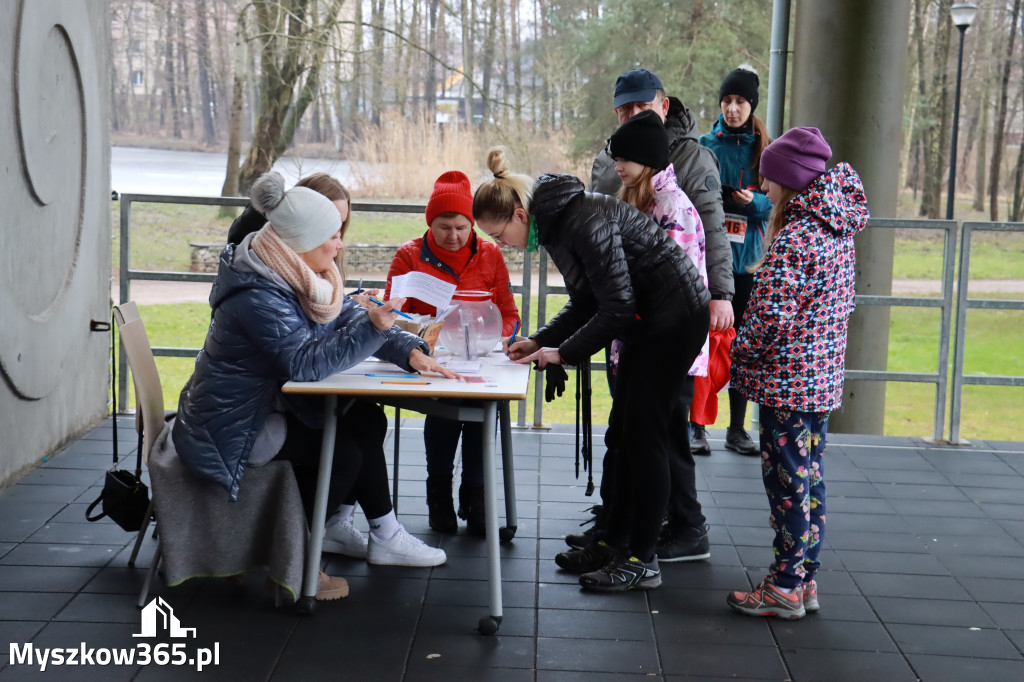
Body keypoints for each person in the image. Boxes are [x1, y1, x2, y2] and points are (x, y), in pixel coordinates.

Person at [173, 172, 457, 601]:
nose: (340, 243)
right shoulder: (260, 293)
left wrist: (409, 350)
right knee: (342, 455)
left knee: (363, 419)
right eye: (332, 234)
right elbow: (304, 364)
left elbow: (345, 315)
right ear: (302, 241)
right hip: (230, 430)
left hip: (259, 411)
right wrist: (374, 328)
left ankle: (363, 533)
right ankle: (294, 563)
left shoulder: (288, 272)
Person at [474, 147, 710, 592]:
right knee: (621, 437)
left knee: (645, 441)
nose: (500, 246)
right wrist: (542, 340)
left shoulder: (580, 221)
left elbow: (616, 307)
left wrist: (562, 354)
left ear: (520, 214)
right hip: (651, 321)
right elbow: (587, 300)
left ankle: (642, 560)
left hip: (674, 322)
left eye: (498, 234)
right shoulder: (560, 223)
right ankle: (613, 541)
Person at [576, 67, 734, 556]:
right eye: (622, 110)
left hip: (661, 330)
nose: (630, 117)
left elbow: (707, 229)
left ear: (663, 105)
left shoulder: (689, 163)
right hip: (628, 323)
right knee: (627, 430)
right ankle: (618, 521)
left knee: (663, 434)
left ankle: (683, 525)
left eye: (639, 108)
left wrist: (721, 293)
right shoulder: (612, 160)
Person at [725, 127, 868, 619]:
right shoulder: (836, 228)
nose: (763, 187)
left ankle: (784, 585)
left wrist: (740, 356)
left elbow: (768, 316)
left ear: (790, 180)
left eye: (769, 179)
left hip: (788, 382)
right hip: (820, 381)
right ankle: (804, 577)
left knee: (787, 484)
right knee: (810, 479)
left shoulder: (798, 236)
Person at [600, 110, 713, 564]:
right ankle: (633, 525)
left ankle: (689, 527)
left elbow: (677, 291)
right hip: (640, 341)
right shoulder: (639, 199)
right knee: (645, 438)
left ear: (648, 159)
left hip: (668, 349)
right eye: (616, 157)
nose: (618, 166)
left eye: (626, 158)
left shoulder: (673, 209)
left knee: (667, 439)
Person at [384, 171, 520, 536]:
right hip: (431, 361)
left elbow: (509, 312)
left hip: (480, 358)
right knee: (444, 411)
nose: (454, 236)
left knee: (482, 410)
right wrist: (417, 330)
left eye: (462, 226)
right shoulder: (410, 255)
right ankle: (439, 494)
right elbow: (389, 317)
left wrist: (500, 336)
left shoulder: (489, 253)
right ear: (431, 223)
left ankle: (476, 497)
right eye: (445, 227)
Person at [693, 65, 774, 458]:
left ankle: (738, 429)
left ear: (751, 105)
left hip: (748, 265)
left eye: (740, 101)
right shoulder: (707, 144)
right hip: (709, 261)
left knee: (743, 347)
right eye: (726, 101)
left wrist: (754, 202)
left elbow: (777, 204)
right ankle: (697, 426)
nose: (732, 108)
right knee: (704, 346)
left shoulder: (767, 149)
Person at [227, 172, 378, 308]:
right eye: (331, 222)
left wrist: (348, 301)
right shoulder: (261, 265)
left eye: (341, 223)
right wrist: (349, 307)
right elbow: (292, 311)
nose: (339, 239)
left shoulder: (298, 252)